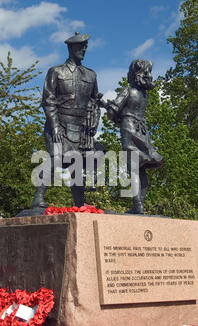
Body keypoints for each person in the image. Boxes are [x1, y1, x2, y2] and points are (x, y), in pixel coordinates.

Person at [32, 32, 104, 210]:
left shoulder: (91, 75)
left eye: (85, 47)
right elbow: (48, 101)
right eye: (80, 46)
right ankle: (38, 197)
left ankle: (79, 203)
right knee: (55, 159)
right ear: (71, 48)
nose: (84, 50)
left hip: (81, 129)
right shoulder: (56, 72)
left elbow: (95, 101)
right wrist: (55, 126)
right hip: (59, 125)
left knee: (84, 160)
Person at [107, 59, 165, 214]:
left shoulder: (127, 91)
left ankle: (137, 204)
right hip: (143, 132)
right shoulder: (144, 95)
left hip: (129, 129)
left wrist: (115, 117)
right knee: (142, 169)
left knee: (133, 168)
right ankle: (140, 204)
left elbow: (112, 111)